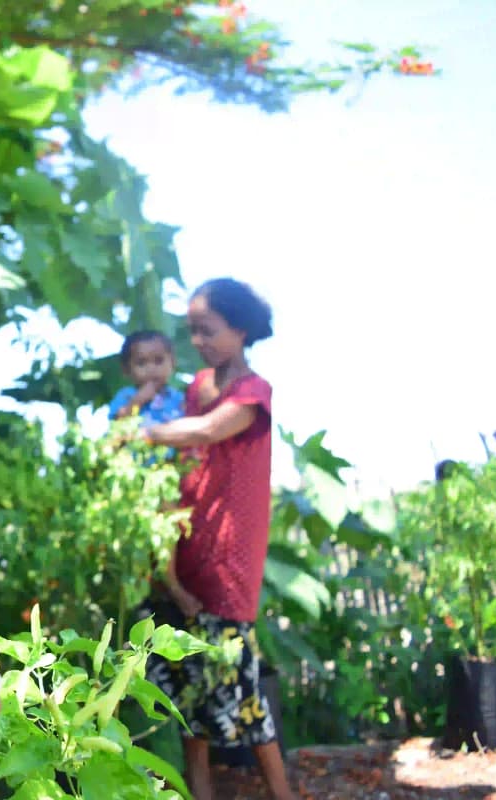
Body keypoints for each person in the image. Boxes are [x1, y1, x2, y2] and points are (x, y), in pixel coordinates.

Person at [139, 278, 296, 800]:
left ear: (240, 330)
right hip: (191, 540)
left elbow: (205, 432)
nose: (198, 341)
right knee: (187, 680)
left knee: (239, 680)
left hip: (230, 549)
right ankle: (199, 789)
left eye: (208, 331)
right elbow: (188, 446)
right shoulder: (198, 384)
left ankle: (282, 793)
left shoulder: (253, 392)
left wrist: (142, 432)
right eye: (193, 332)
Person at [107, 330, 185, 427]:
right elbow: (116, 424)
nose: (151, 369)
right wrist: (137, 401)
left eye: (158, 361)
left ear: (173, 363)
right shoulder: (126, 396)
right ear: (127, 369)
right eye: (141, 363)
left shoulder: (179, 399)